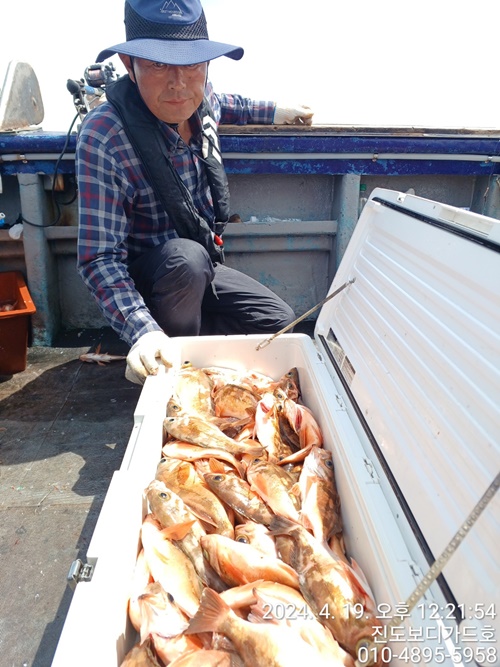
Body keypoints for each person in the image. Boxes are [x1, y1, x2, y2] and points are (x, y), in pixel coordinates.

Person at [76, 0, 314, 384]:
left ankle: (188, 347)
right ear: (128, 65)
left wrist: (275, 111)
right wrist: (143, 331)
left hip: (202, 266)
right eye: (158, 64)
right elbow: (99, 258)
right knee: (184, 259)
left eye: (191, 64)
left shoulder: (200, 99)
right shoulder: (104, 134)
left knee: (277, 323)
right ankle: (163, 358)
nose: (178, 83)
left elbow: (231, 104)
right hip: (152, 280)